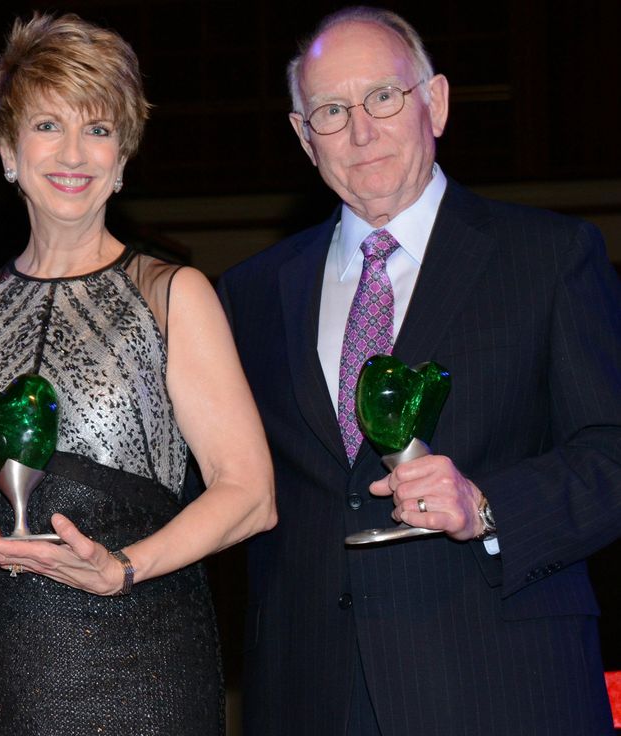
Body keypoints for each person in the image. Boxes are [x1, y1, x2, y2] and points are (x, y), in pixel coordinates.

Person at [217, 6, 621, 736]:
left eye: (383, 97)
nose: (361, 131)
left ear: (434, 102)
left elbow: (612, 456)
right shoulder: (249, 292)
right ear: (304, 137)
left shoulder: (550, 257)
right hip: (309, 693)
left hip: (502, 687)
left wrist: (487, 505)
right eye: (331, 111)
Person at [0, 13, 276, 735]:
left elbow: (250, 494)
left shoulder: (171, 296)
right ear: (7, 149)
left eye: (99, 129)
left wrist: (122, 567)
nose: (74, 153)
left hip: (135, 667)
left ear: (123, 157)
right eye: (48, 126)